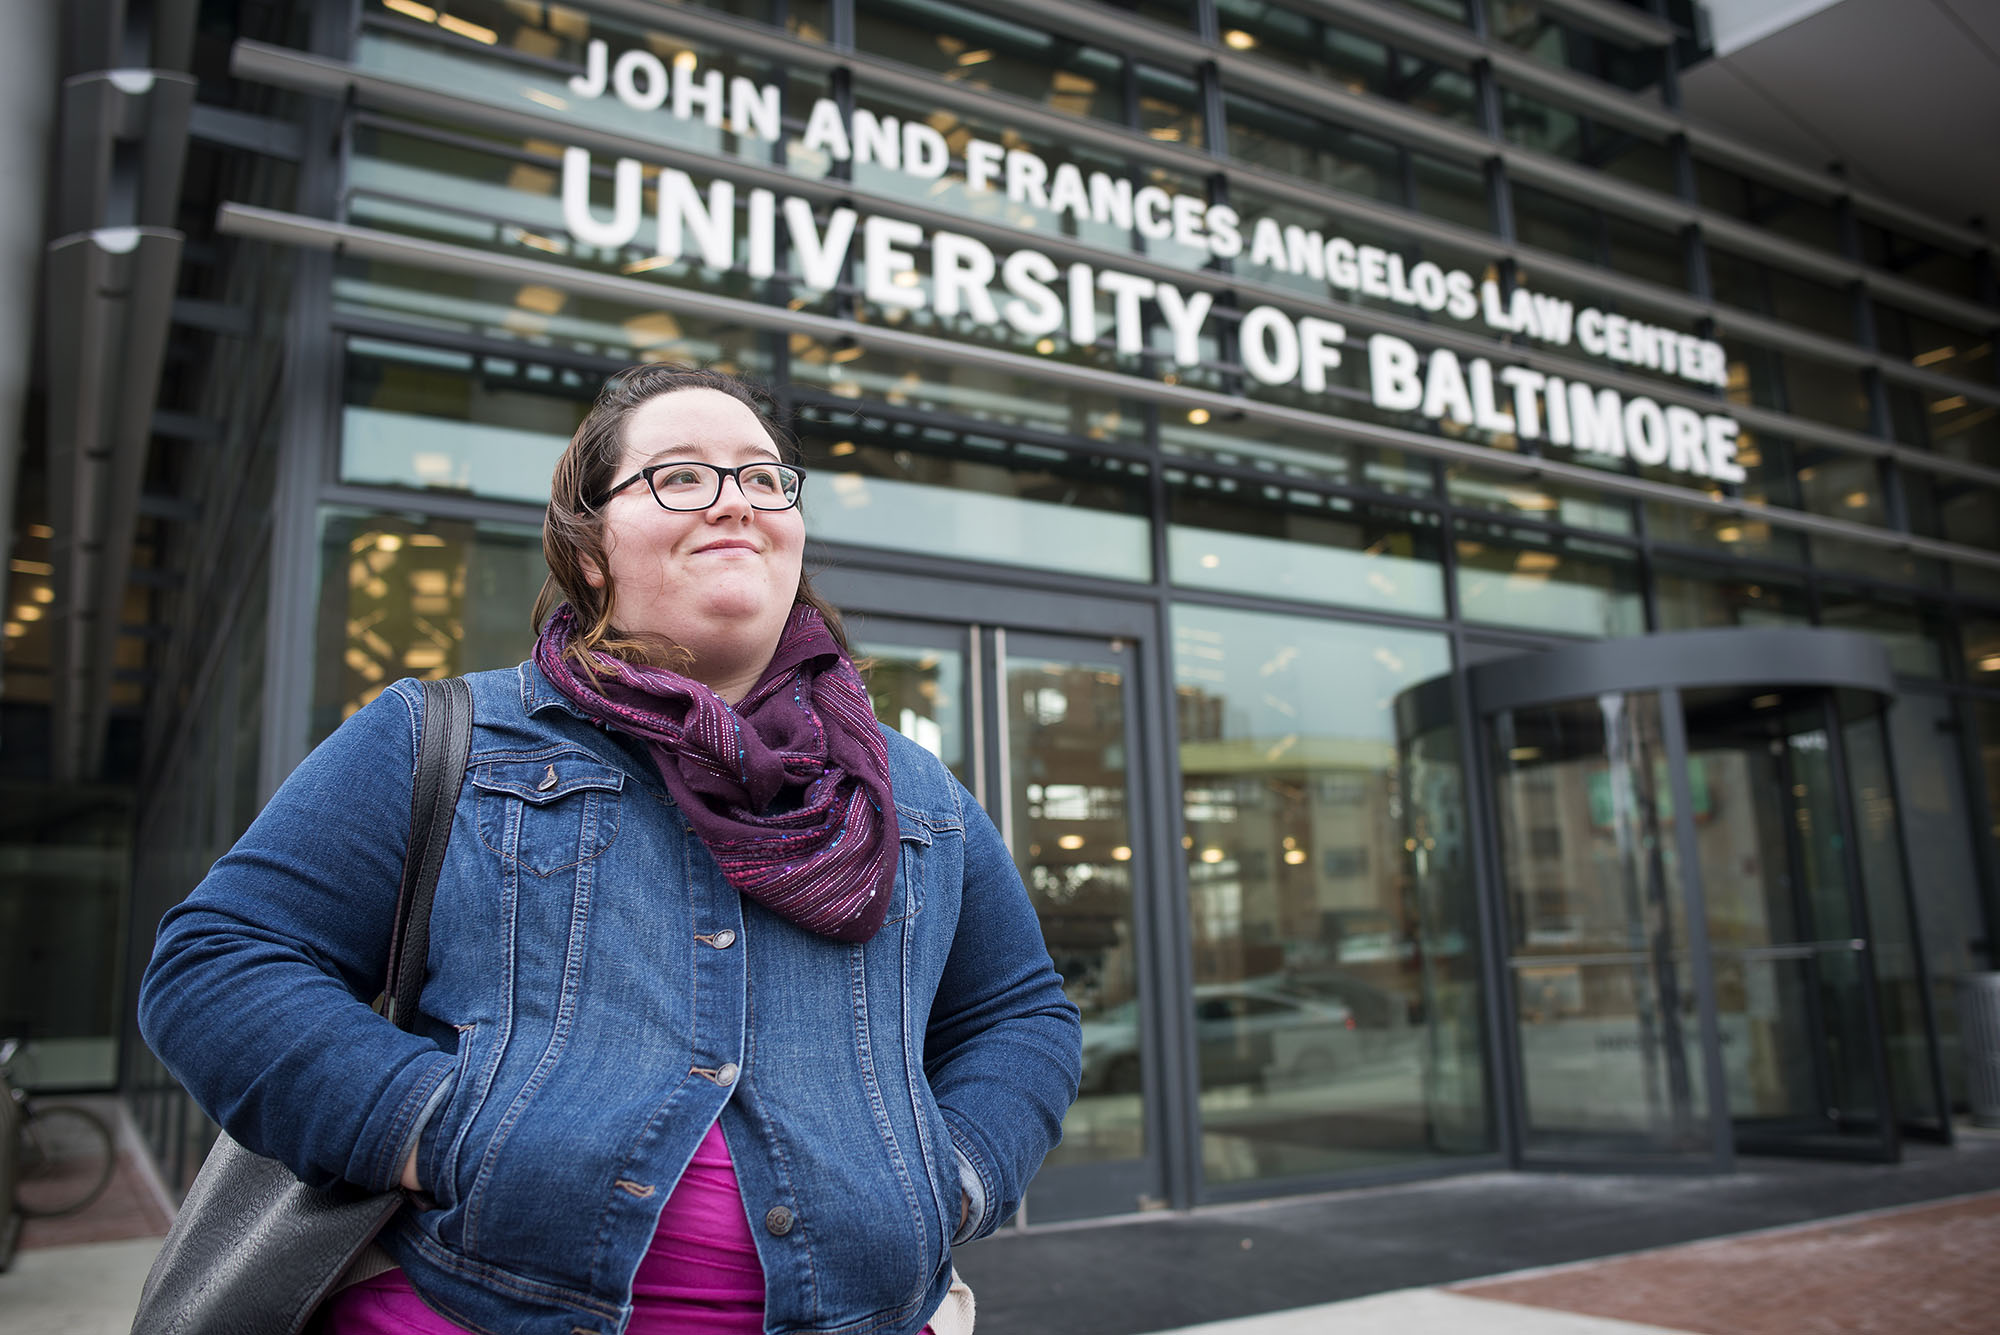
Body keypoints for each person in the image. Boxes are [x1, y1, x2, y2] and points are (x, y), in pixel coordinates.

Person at [139, 364, 1083, 1335]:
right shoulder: (443, 737)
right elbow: (221, 963)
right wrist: (430, 1130)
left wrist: (954, 1177)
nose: (736, 503)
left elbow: (1019, 1015)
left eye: (763, 478)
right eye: (680, 476)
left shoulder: (916, 795)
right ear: (589, 552)